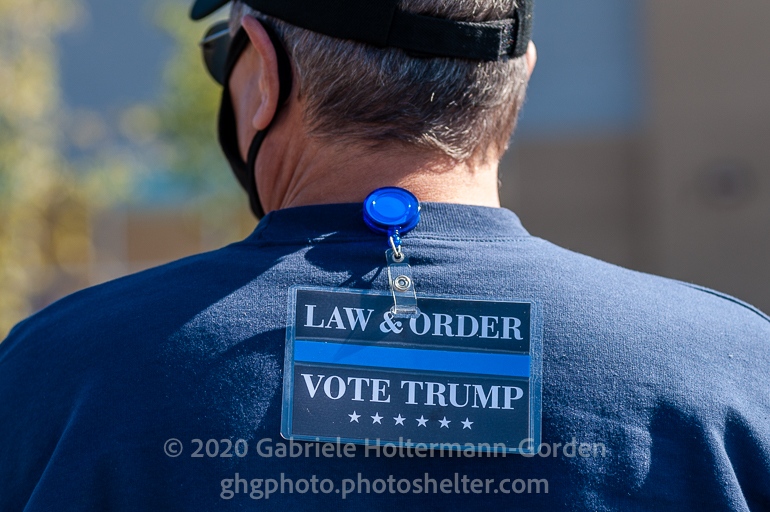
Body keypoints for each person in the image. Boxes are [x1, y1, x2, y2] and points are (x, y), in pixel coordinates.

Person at [1, 0, 769, 510]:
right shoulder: (734, 374)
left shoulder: (57, 377)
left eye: (220, 58)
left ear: (263, 74)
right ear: (520, 78)